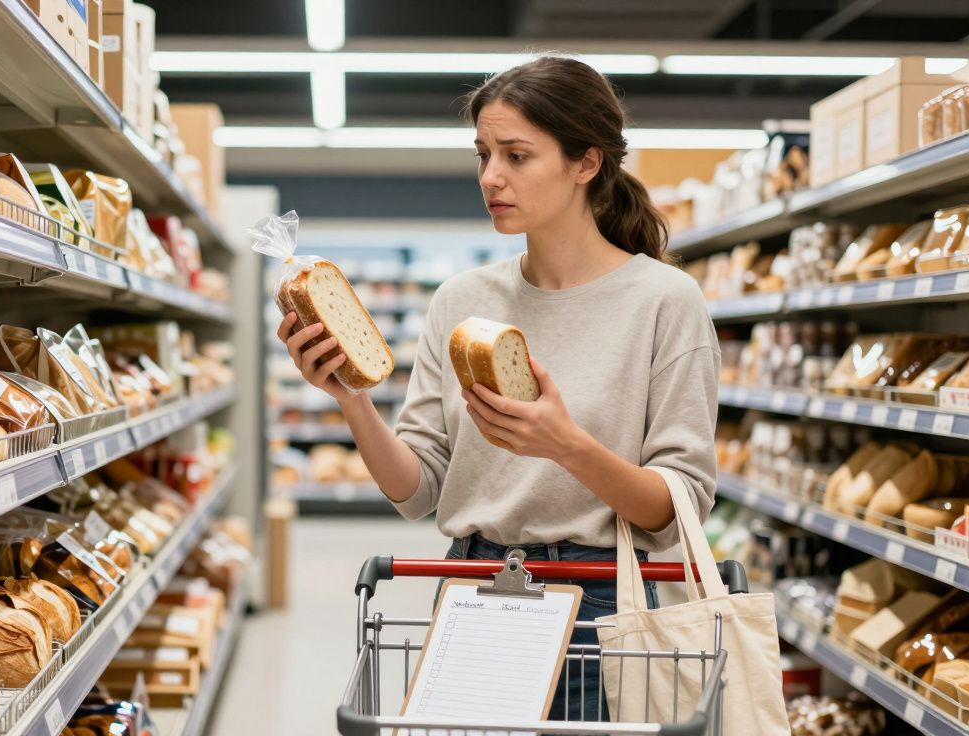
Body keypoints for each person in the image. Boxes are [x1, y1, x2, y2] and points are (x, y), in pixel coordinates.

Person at [275, 55, 719, 722]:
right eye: (483, 153)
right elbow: (415, 489)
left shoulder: (665, 301)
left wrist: (567, 445)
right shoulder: (461, 301)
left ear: (586, 163)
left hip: (603, 601)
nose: (491, 177)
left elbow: (676, 507)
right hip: (475, 591)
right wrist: (351, 399)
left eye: (517, 155)